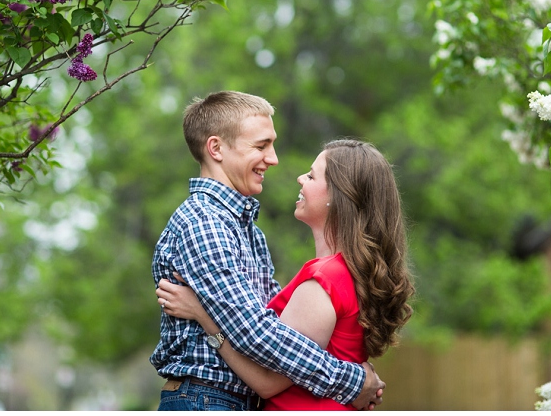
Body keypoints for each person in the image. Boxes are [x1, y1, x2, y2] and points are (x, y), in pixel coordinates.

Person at [150, 92, 388, 411]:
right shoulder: (205, 224)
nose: (273, 158)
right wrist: (352, 381)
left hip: (231, 399)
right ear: (216, 148)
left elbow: (275, 324)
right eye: (261, 146)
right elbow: (259, 336)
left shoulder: (246, 230)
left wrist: (203, 315)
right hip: (206, 400)